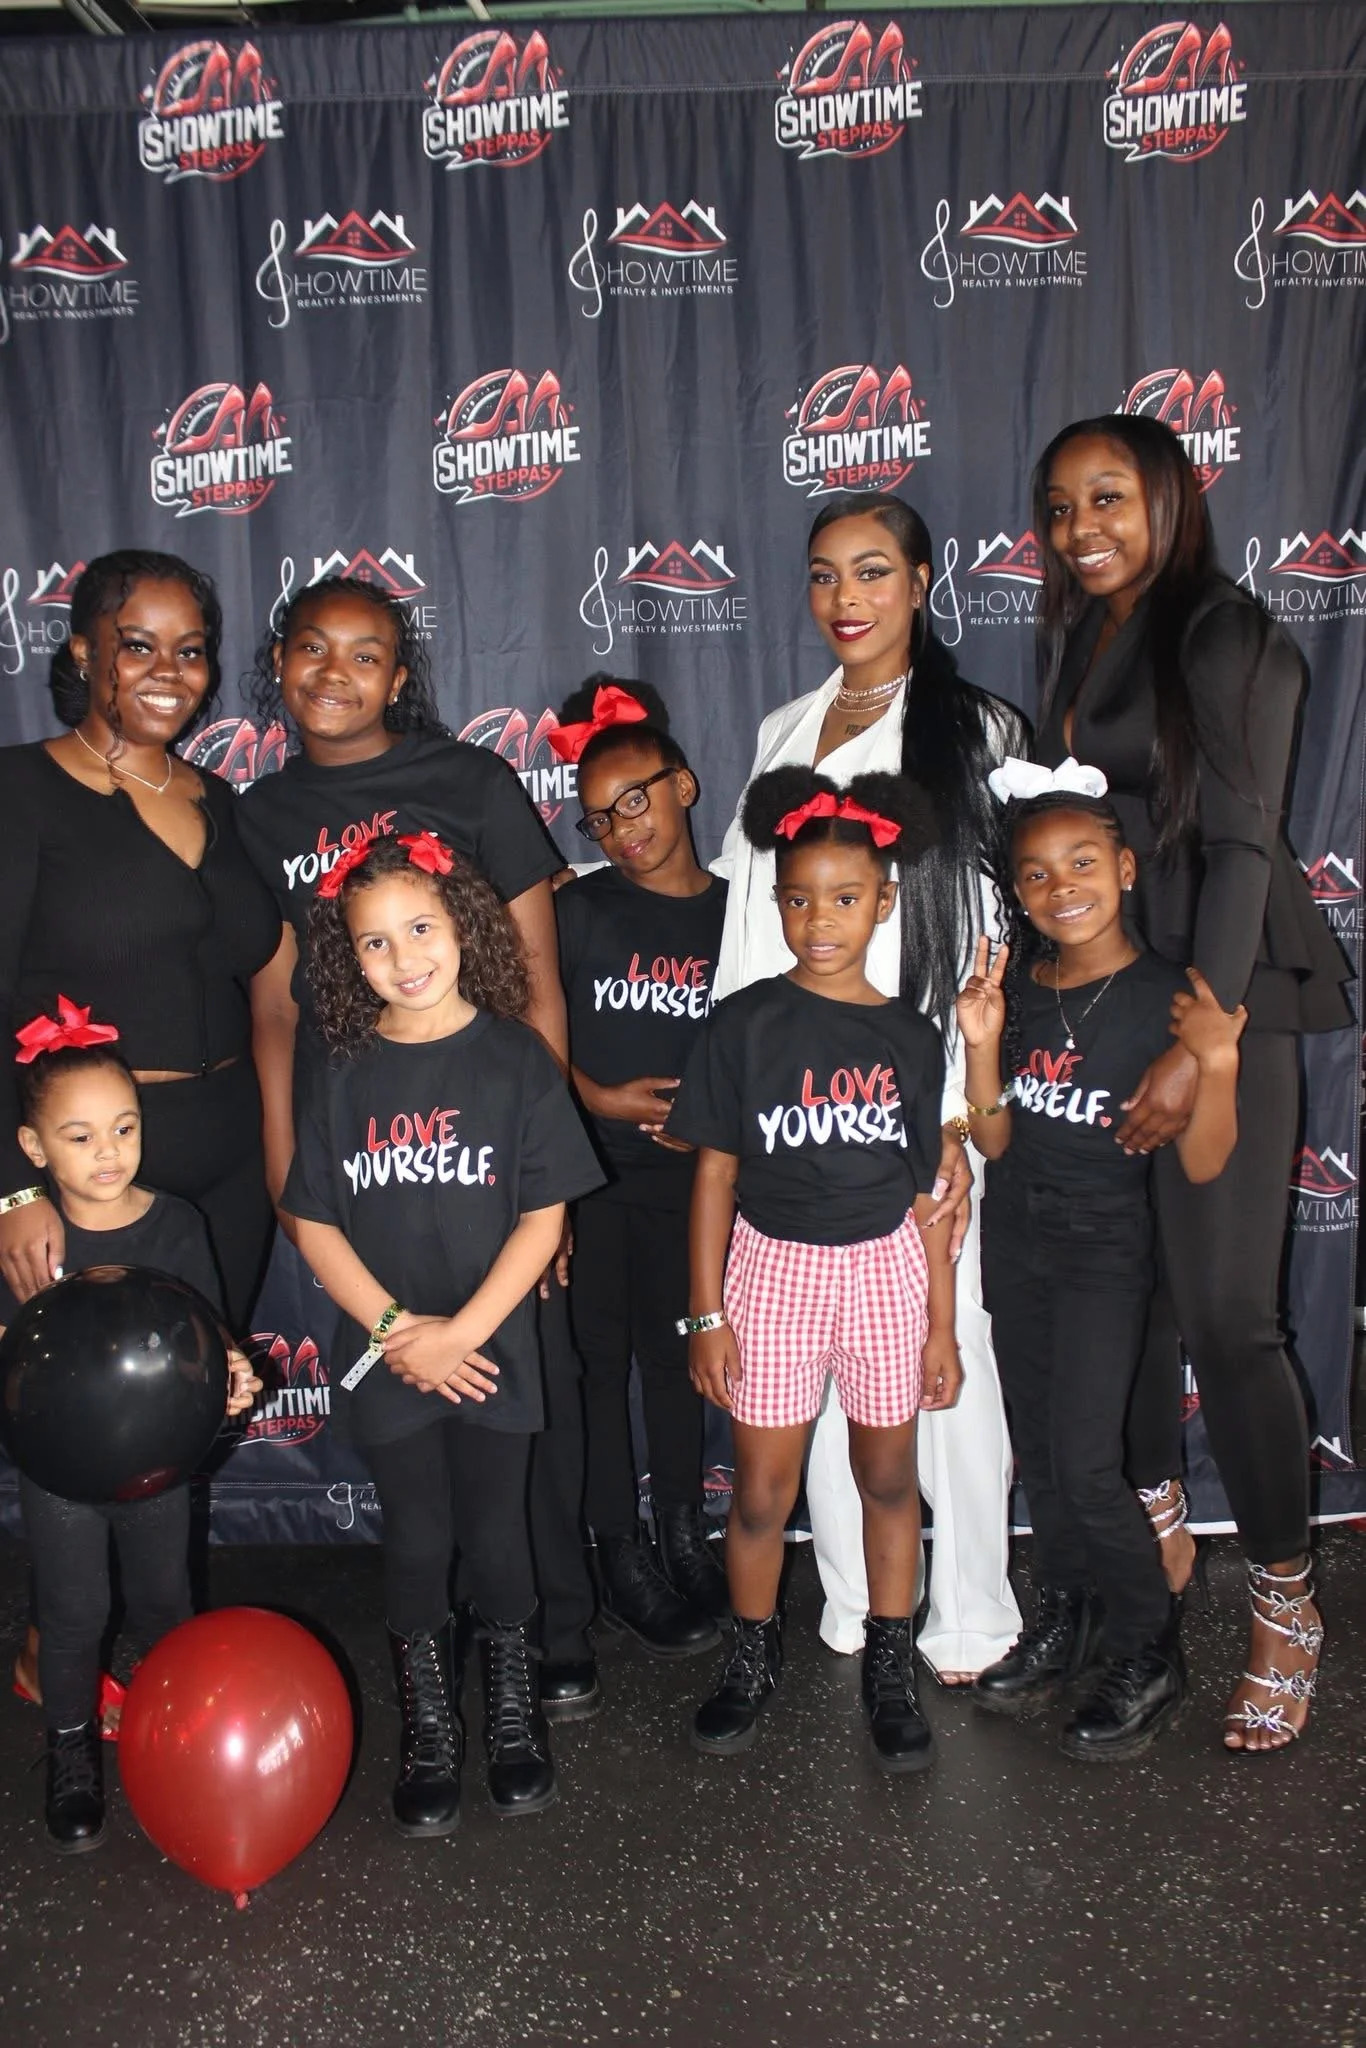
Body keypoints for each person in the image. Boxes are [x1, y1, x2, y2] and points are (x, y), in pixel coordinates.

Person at [1033, 414, 1353, 1751]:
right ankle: (1157, 1533)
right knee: (1136, 1292)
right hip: (1120, 995)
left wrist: (1200, 1034)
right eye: (1056, 508)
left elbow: (1234, 847)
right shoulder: (1084, 634)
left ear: (1170, 496)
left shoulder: (1221, 631)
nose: (1078, 527)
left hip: (1220, 998)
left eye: (1108, 496)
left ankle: (1284, 1598)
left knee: (1224, 1315)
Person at [237, 575, 598, 1715]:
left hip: (500, 1159)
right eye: (312, 649)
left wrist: (553, 1192)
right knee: (423, 1474)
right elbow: (275, 1009)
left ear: (401, 675)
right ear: (279, 663)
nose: (334, 674)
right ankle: (449, 1700)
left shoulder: (468, 778)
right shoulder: (258, 814)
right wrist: (294, 1185)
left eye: (366, 654)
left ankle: (557, 1635)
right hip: (367, 1154)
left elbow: (531, 979)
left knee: (516, 1421)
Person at [711, 494, 1024, 1681]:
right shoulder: (782, 728)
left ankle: (969, 1608)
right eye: (824, 575)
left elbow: (984, 937)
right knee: (820, 1367)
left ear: (923, 581)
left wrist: (953, 1108)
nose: (846, 597)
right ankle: (852, 1597)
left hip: (920, 1102)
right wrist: (745, 1112)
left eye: (873, 571)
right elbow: (752, 931)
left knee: (945, 1355)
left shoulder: (974, 728)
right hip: (795, 1112)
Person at [283, 831, 602, 1836]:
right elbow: (314, 1218)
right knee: (417, 1538)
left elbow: (543, 1217)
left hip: (492, 1345)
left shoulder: (516, 1057)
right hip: (387, 1355)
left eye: (419, 927)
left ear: (463, 923)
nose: (403, 955)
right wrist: (393, 1329)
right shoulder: (341, 1068)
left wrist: (459, 1332)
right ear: (349, 956)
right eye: (374, 942)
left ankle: (511, 1717)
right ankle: (430, 1728)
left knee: (498, 1531)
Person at [669, 769, 960, 1770]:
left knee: (887, 1477)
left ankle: (890, 1658)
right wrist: (704, 1312)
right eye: (797, 897)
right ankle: (748, 1656)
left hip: (883, 1269)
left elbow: (927, 1192)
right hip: (770, 1269)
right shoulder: (744, 1023)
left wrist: (938, 1326)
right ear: (774, 900)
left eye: (843, 897)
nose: (818, 918)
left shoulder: (911, 1036)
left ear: (883, 900)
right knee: (760, 1491)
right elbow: (712, 1171)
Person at [960, 761, 1244, 1759]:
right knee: (1041, 1455)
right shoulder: (1018, 988)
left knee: (1085, 1459)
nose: (1059, 886)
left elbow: (1205, 1158)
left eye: (1081, 861)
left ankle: (1145, 1644)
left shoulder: (1170, 995)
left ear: (1124, 866)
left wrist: (1215, 1058)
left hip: (1103, 1249)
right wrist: (984, 1044)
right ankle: (1069, 1611)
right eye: (1034, 873)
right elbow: (991, 1139)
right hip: (1016, 1239)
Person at [0, 550, 281, 1331]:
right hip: (92, 1170)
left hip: (233, 1156)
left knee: (199, 1397)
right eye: (137, 645)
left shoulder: (221, 800)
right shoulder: (19, 792)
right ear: (85, 653)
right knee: (91, 1421)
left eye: (190, 650)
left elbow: (267, 991)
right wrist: (12, 1189)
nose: (170, 671)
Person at [0, 1011, 259, 1851]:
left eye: (123, 1129)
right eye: (79, 1138)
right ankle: (72, 1747)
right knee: (73, 1613)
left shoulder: (175, 1223)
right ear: (35, 1149)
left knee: (164, 1602)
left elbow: (206, 1333)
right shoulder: (29, 1243)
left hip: (158, 1468)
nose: (108, 1153)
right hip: (58, 1472)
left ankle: (175, 1735)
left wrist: (232, 1375)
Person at [549, 681, 727, 1664]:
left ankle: (680, 1535)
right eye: (598, 815)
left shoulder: (738, 916)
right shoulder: (578, 908)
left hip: (689, 1185)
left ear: (683, 785)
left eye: (637, 800)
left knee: (674, 1364)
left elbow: (758, 1042)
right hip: (588, 1174)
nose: (621, 829)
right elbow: (530, 1041)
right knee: (594, 1364)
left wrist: (711, 1122)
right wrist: (601, 1097)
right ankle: (616, 1548)